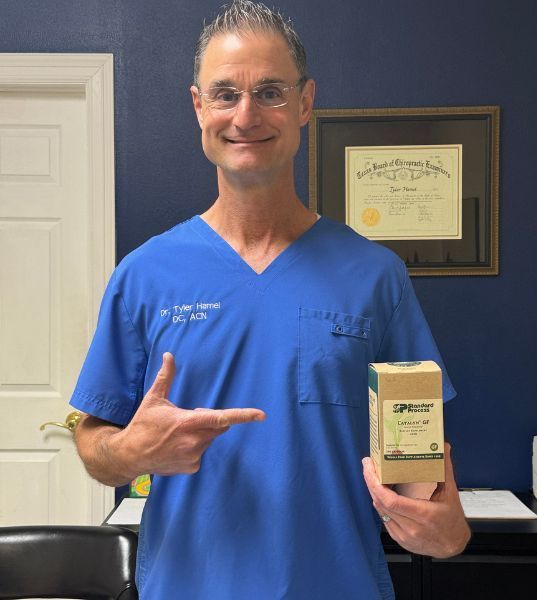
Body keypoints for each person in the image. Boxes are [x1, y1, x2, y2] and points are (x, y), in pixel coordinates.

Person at [70, 1, 470, 597]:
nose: (246, 114)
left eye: (271, 92)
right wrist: (128, 450)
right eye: (225, 93)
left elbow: (421, 457)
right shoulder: (145, 275)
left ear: (306, 103)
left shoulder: (374, 276)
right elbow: (94, 443)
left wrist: (444, 528)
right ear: (199, 106)